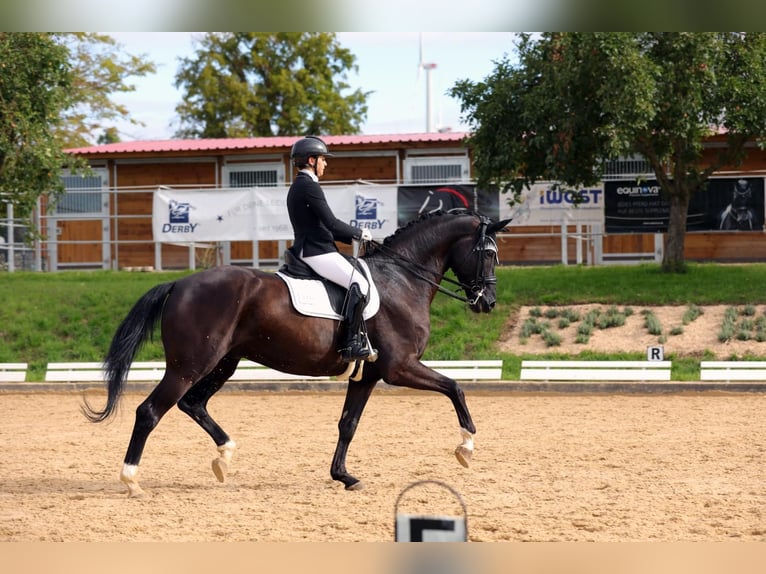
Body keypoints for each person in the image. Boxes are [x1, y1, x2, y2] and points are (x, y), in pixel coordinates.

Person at [286, 135, 373, 362]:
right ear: (312, 161)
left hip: (312, 248)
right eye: (323, 159)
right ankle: (350, 344)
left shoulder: (300, 185)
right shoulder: (309, 187)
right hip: (317, 251)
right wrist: (358, 233)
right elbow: (332, 224)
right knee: (360, 284)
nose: (326, 164)